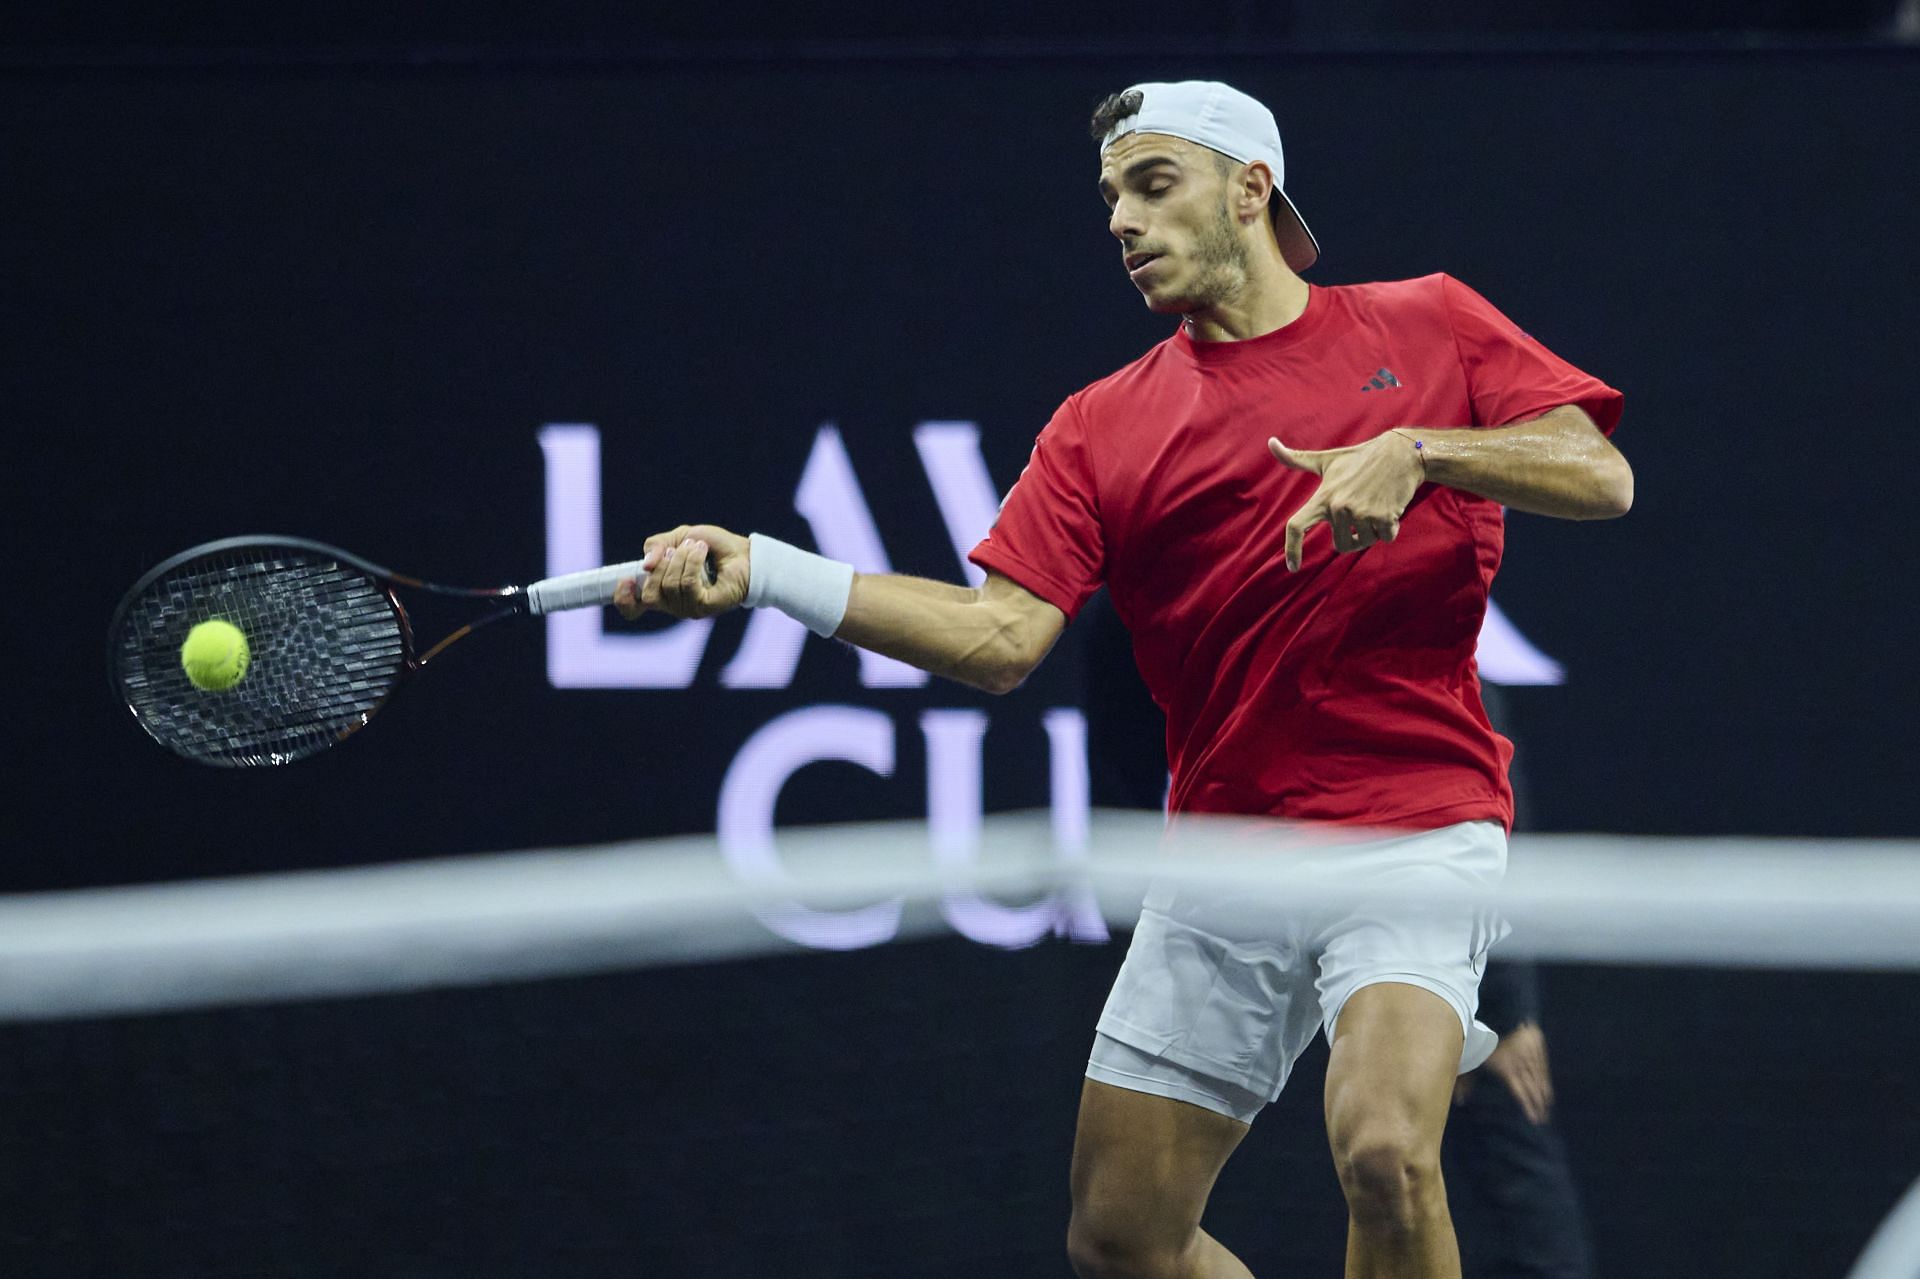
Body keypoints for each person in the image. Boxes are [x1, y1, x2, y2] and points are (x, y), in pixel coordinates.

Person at [615, 80, 1630, 1279]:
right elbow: (999, 639)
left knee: (1384, 1154)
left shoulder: (1429, 325)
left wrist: (1417, 450)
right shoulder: (1101, 427)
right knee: (1119, 1237)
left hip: (1415, 825)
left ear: (1252, 189)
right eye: (1110, 200)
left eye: (1155, 185)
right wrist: (768, 572)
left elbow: (1598, 472)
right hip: (1222, 852)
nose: (1122, 223)